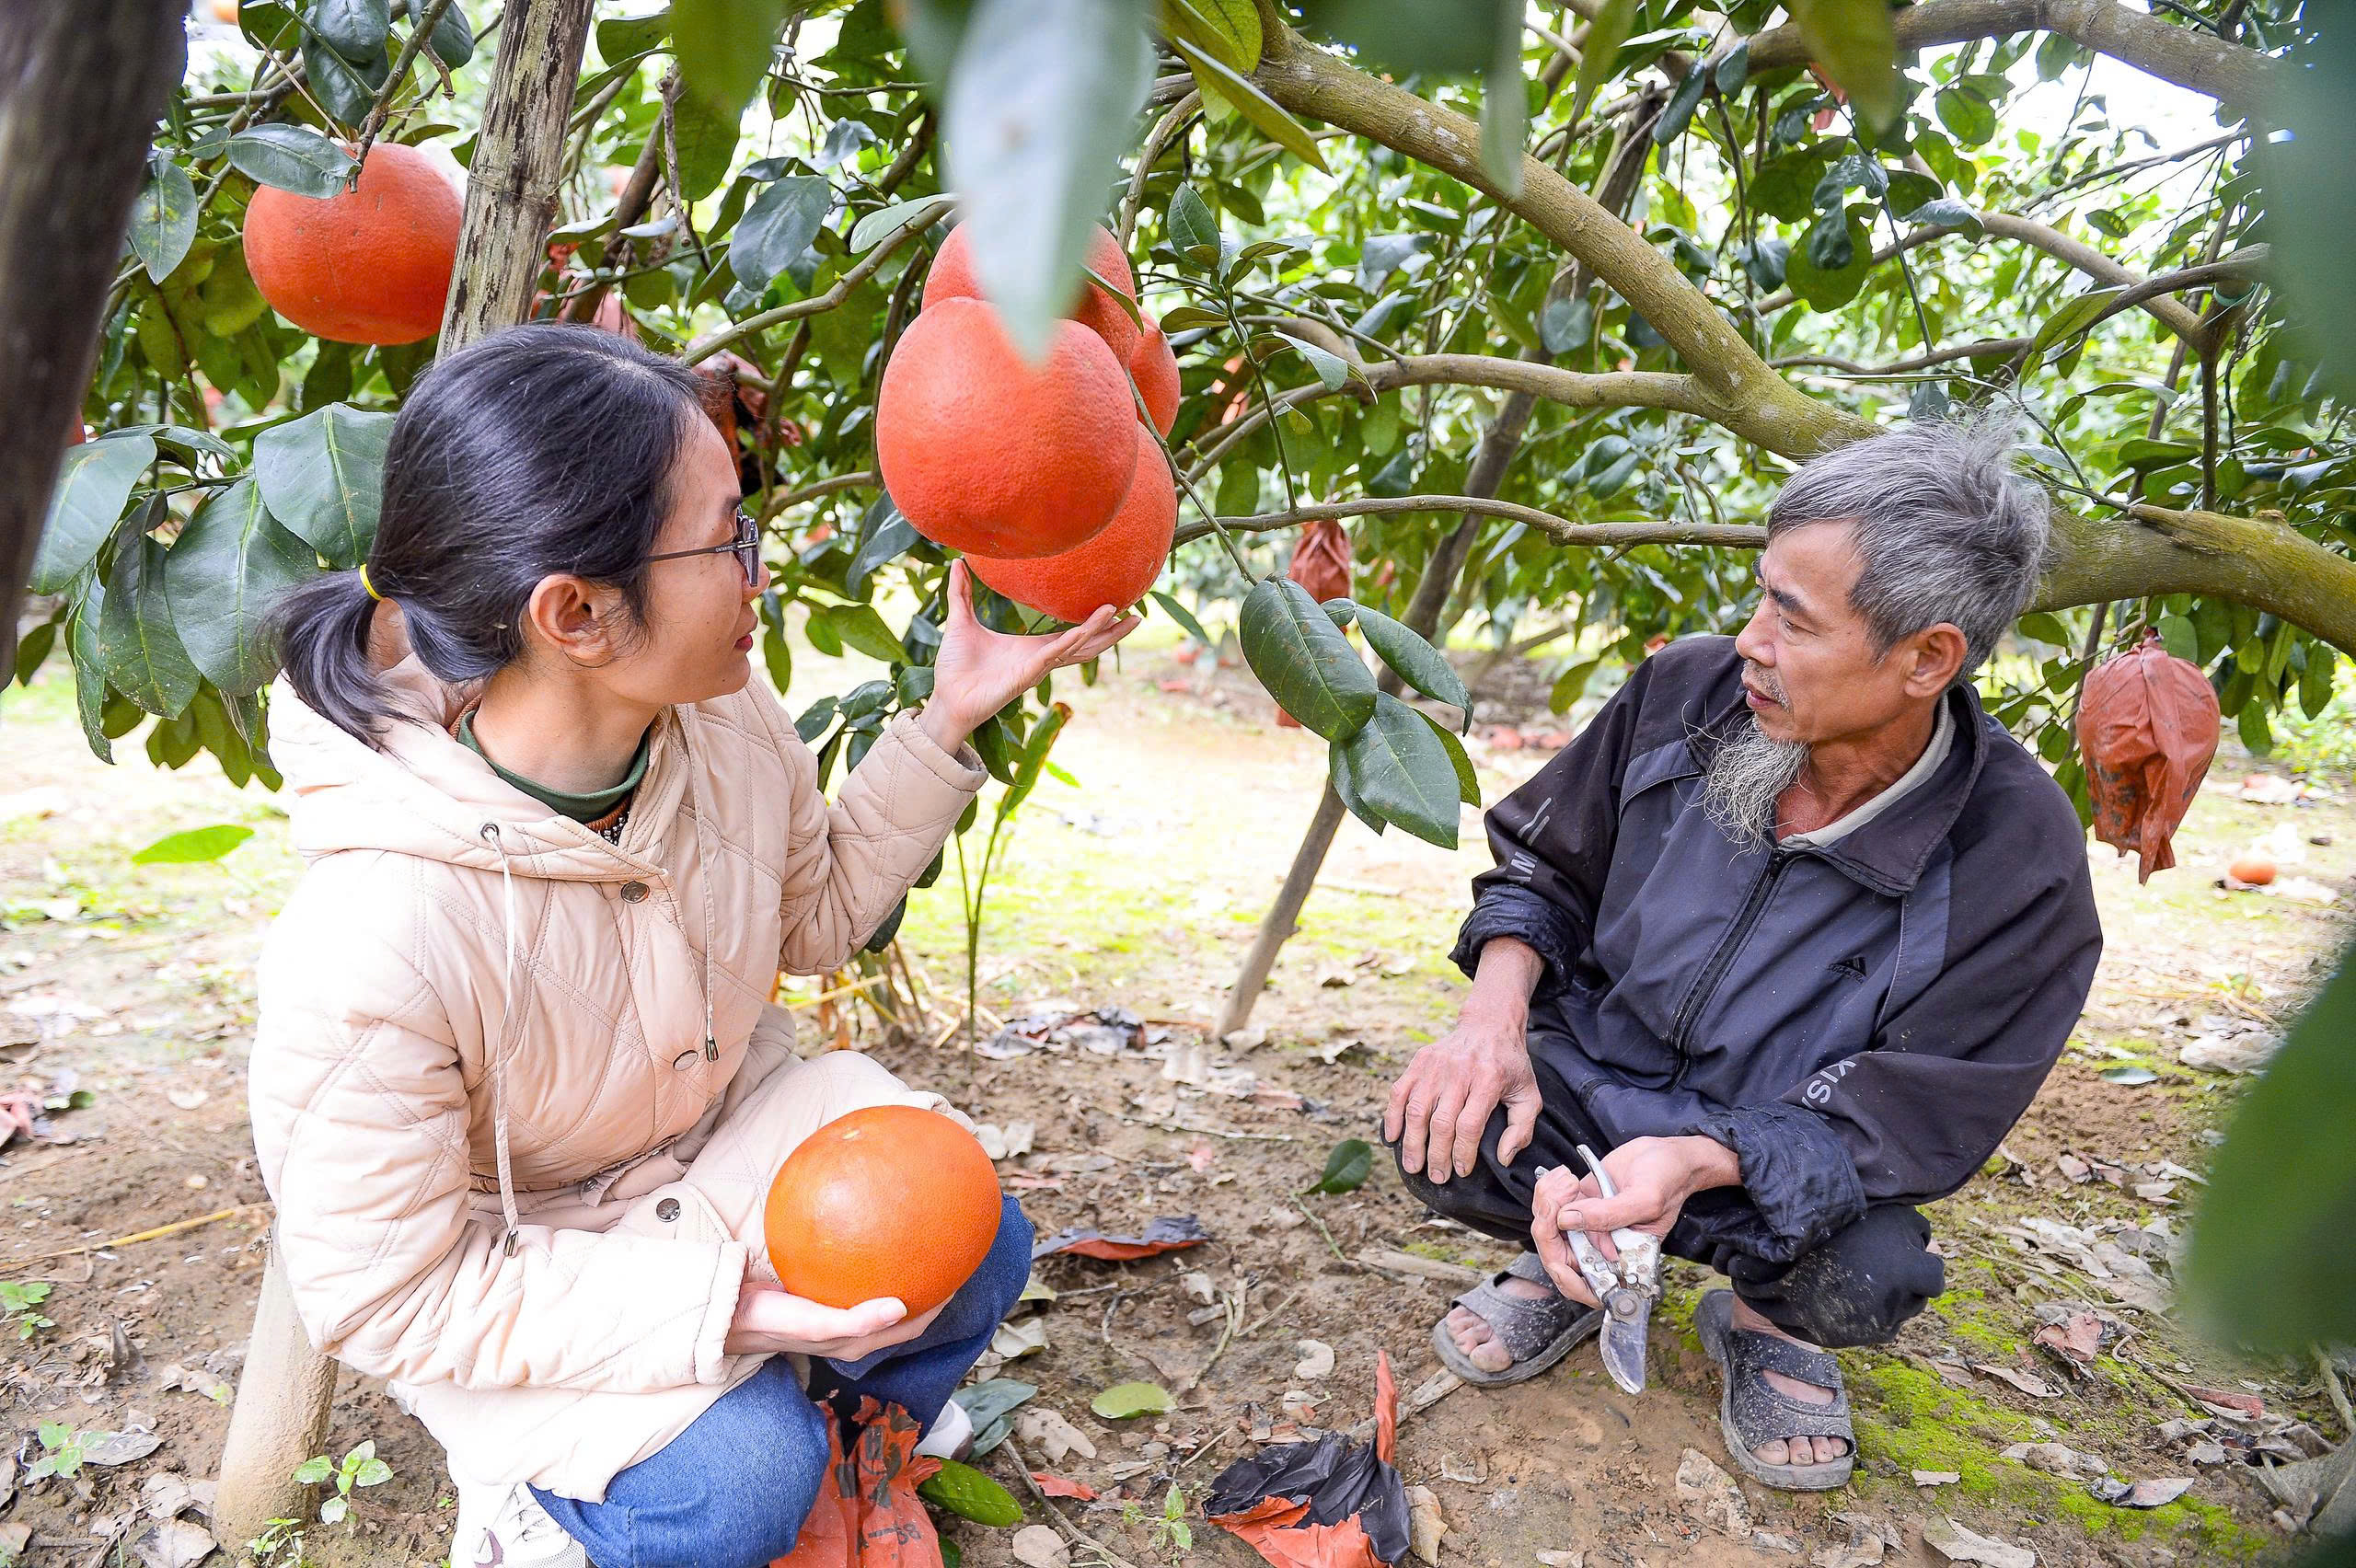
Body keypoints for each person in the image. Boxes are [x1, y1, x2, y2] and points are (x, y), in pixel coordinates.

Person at [248, 323, 1135, 1568]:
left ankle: (841, 1451)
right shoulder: (376, 934)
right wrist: (719, 1310)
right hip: (531, 1255)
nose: (758, 573)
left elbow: (816, 923)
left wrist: (947, 717)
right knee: (736, 1486)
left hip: (713, 1139)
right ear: (576, 613)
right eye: (728, 537)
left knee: (976, 1243)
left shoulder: (720, 717)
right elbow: (388, 1290)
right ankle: (559, 1505)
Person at [1382, 419, 2102, 1491]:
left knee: (1873, 1272)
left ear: (1926, 659)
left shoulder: (2019, 853)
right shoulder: (1686, 691)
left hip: (1769, 1163)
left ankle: (1765, 1323)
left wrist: (1708, 1156)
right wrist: (1489, 1027)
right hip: (1592, 1093)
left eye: (1793, 620)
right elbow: (1543, 867)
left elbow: (1925, 1107)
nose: (1750, 641)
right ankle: (1573, 1256)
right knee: (1445, 1127)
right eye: (1760, 595)